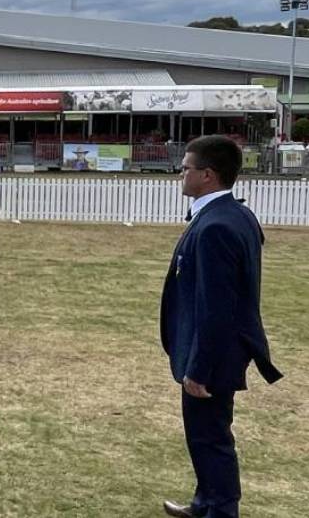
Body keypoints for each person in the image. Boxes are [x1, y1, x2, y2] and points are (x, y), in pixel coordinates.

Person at [160, 135, 282, 518]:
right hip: (217, 351)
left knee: (210, 438)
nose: (181, 173)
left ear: (207, 175)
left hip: (212, 357)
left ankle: (221, 510)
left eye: (187, 168)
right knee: (206, 436)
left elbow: (216, 308)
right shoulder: (236, 214)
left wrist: (199, 369)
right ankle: (206, 502)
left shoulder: (215, 227)